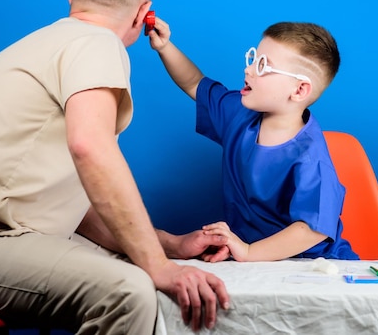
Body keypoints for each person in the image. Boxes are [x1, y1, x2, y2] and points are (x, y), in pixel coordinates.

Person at [0, 0, 231, 334]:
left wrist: (169, 246)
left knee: (129, 263)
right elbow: (91, 148)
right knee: (129, 291)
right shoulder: (97, 43)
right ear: (143, 15)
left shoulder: (44, 43)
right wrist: (159, 266)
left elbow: (73, 204)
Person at [148, 17, 359, 262]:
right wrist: (165, 47)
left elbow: (311, 230)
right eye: (252, 59)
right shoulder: (239, 113)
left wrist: (249, 252)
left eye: (263, 65)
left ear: (299, 90)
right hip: (254, 261)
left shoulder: (311, 158)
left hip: (312, 265)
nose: (248, 69)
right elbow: (195, 83)